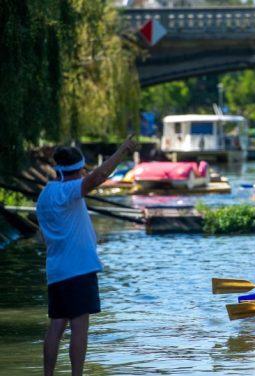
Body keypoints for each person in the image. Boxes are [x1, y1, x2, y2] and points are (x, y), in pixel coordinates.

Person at [36, 135, 137, 376]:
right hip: (78, 270)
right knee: (79, 328)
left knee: (57, 326)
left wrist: (90, 238)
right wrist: (123, 149)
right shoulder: (70, 190)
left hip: (57, 270)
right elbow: (99, 176)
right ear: (79, 169)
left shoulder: (45, 195)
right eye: (83, 170)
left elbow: (54, 232)